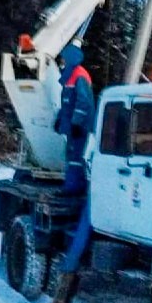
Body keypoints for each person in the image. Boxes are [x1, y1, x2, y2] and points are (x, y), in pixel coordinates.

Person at [54, 41, 95, 196]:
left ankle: (74, 188)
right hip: (74, 124)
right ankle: (72, 186)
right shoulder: (71, 76)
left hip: (79, 126)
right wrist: (60, 119)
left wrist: (77, 123)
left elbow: (83, 102)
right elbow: (67, 104)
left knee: (75, 157)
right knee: (72, 155)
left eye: (63, 59)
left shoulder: (79, 75)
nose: (62, 62)